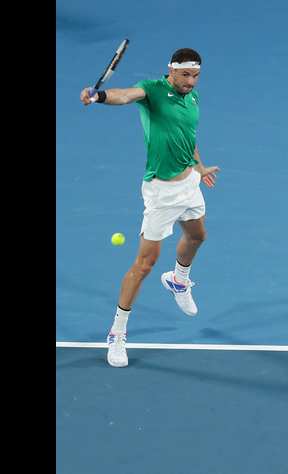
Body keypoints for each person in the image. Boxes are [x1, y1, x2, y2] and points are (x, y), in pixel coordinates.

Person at [80, 48, 220, 368]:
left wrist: (199, 167)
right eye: (185, 75)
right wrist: (100, 96)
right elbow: (124, 95)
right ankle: (117, 333)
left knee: (198, 236)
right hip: (162, 194)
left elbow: (189, 135)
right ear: (171, 70)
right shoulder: (152, 90)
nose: (191, 81)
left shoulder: (193, 99)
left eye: (196, 75)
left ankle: (179, 280)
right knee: (144, 265)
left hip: (190, 184)